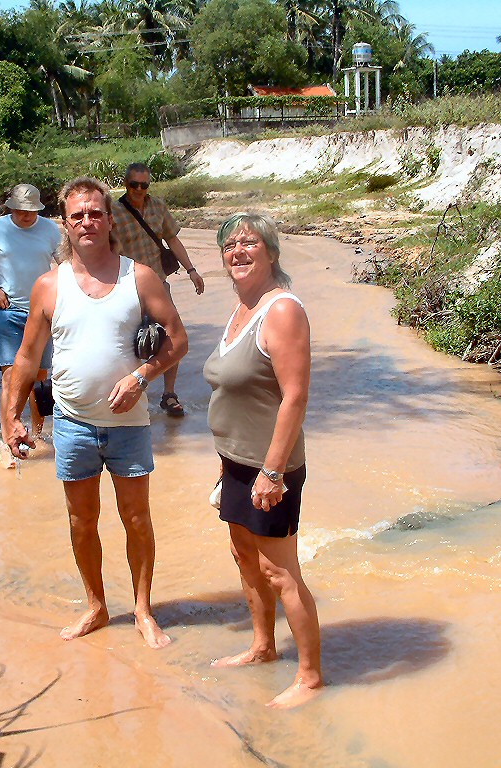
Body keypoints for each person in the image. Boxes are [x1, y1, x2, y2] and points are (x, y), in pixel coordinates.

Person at [5, 176, 188, 649]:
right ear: (64, 225)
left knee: (137, 520)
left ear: (110, 219)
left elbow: (178, 340)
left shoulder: (140, 276)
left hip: (129, 425)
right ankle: (97, 606)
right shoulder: (49, 286)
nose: (87, 221)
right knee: (81, 522)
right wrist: (10, 416)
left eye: (95, 213)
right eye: (76, 215)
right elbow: (26, 358)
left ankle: (143, 610)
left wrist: (142, 377)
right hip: (72, 424)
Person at [202, 212, 323, 709]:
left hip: (269, 468)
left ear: (271, 253)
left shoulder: (282, 311)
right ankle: (262, 647)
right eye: (230, 245)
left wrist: (271, 472)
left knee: (280, 573)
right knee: (245, 559)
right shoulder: (242, 309)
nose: (239, 252)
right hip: (235, 461)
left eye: (250, 243)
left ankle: (311, 677)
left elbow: (295, 397)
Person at [0, 183, 61, 463]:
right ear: (11, 208)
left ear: (39, 209)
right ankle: (10, 442)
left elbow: (66, 266)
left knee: (38, 381)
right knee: (11, 378)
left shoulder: (51, 230)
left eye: (30, 211)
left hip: (42, 314)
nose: (25, 216)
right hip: (7, 311)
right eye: (20, 211)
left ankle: (37, 439)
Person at [111, 162, 204, 418]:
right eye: (134, 185)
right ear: (125, 184)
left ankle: (169, 394)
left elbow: (172, 238)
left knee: (171, 337)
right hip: (124, 286)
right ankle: (122, 393)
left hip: (158, 284)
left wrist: (191, 270)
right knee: (123, 341)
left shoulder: (158, 207)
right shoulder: (113, 212)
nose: (139, 190)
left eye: (144, 185)